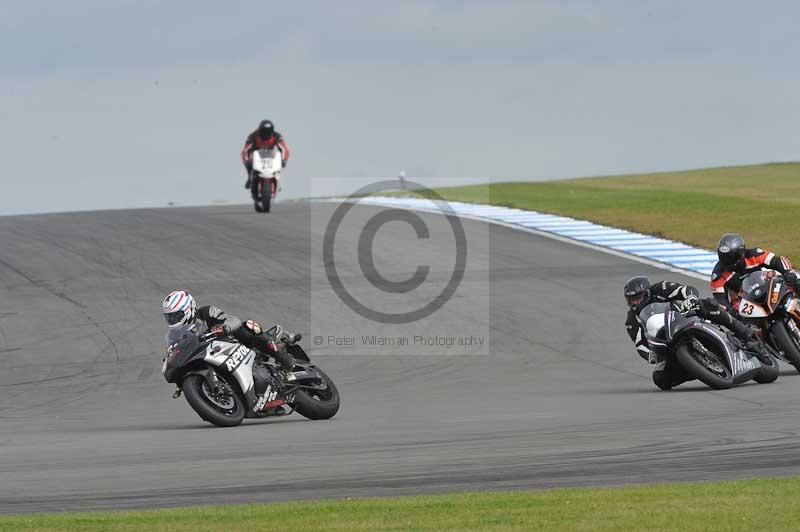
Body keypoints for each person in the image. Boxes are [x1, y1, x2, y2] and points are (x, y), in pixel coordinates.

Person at [624, 276, 762, 390]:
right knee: (660, 379)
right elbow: (640, 344)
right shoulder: (632, 321)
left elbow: (685, 290)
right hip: (666, 342)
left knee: (709, 305)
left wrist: (690, 299)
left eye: (638, 298)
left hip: (684, 316)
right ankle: (696, 368)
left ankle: (743, 331)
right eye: (631, 300)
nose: (635, 303)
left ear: (647, 293)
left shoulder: (661, 288)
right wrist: (650, 355)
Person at [161, 290, 296, 373]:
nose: (172, 320)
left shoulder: (206, 312)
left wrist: (224, 328)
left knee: (249, 326)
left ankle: (284, 359)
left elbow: (233, 320)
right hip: (215, 357)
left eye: (175, 316)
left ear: (188, 309)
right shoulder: (176, 334)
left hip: (238, 345)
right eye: (170, 317)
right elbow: (174, 349)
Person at [711, 233, 800, 311]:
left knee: (795, 280)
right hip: (744, 306)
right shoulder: (718, 275)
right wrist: (730, 311)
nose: (727, 260)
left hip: (766, 291)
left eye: (730, 256)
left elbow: (777, 260)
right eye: (724, 257)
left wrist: (787, 272)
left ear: (740, 252)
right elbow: (720, 301)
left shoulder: (754, 255)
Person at [241, 120, 290, 189]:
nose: (266, 134)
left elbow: (284, 149)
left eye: (268, 132)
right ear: (260, 131)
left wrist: (284, 159)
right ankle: (249, 178)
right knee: (249, 164)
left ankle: (277, 180)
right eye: (264, 132)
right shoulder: (253, 136)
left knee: (279, 164)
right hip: (256, 155)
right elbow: (245, 150)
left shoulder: (277, 136)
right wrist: (246, 160)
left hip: (270, 155)